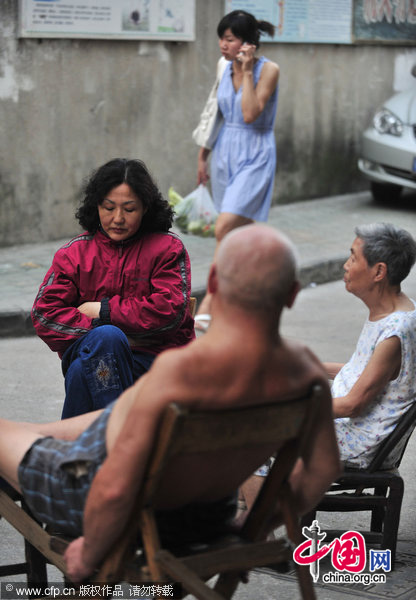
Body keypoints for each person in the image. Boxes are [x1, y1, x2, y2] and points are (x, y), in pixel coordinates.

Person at [0, 224, 340, 583]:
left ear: (213, 282)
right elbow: (323, 469)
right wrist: (254, 524)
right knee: (41, 430)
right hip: (204, 517)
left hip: (100, 497)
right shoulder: (305, 374)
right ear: (292, 294)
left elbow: (115, 488)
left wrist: (90, 552)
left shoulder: (182, 373)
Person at [31, 158, 194, 418]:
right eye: (108, 207)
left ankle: (78, 451)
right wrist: (106, 334)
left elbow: (170, 312)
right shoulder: (74, 254)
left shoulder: (167, 249)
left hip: (152, 362)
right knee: (105, 342)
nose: (117, 218)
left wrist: (103, 311)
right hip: (91, 351)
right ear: (96, 206)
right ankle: (117, 437)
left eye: (129, 209)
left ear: (145, 209)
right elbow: (44, 314)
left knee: (82, 370)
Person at [194, 10, 280, 329]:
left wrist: (245, 69)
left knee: (224, 226)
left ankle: (210, 300)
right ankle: (239, 301)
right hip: (224, 150)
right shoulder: (221, 66)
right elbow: (215, 111)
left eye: (229, 39)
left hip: (255, 152)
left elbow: (249, 113)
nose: (222, 45)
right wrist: (203, 155)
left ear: (248, 43)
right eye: (222, 38)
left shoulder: (268, 70)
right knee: (234, 235)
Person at [325, 223, 416, 468]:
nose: (346, 265)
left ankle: (265, 506)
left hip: (356, 440)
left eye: (353, 258)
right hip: (347, 428)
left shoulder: (395, 331)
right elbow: (366, 372)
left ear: (378, 272)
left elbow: (353, 405)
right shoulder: (392, 311)